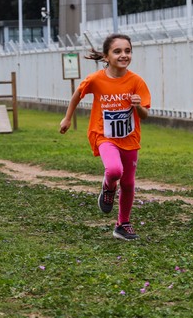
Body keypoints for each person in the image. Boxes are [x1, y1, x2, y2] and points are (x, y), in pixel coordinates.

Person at [59, 34, 151, 241]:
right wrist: (67, 118)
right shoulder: (96, 79)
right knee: (115, 170)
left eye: (127, 51)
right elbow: (77, 95)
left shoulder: (136, 81)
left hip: (129, 138)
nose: (123, 55)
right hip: (103, 135)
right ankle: (108, 187)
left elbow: (145, 114)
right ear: (107, 56)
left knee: (128, 182)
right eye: (117, 51)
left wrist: (137, 106)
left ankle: (122, 224)